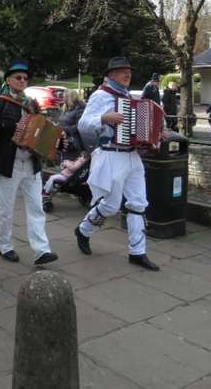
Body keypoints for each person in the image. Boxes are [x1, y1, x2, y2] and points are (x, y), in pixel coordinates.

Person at [73, 56, 159, 271]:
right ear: (111, 74)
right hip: (112, 155)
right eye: (122, 71)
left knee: (138, 203)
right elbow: (83, 124)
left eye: (129, 70)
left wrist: (155, 136)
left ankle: (137, 253)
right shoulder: (101, 95)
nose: (127, 74)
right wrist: (104, 118)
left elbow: (141, 129)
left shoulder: (129, 96)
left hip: (132, 156)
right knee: (110, 206)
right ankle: (83, 230)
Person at [0, 61, 58, 266]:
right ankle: (5, 245)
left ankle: (41, 250)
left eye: (25, 78)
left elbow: (40, 127)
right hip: (8, 162)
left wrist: (49, 140)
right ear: (8, 80)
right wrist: (7, 125)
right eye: (18, 77)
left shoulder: (32, 103)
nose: (22, 81)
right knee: (4, 208)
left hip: (31, 162)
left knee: (37, 207)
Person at [58, 89, 85, 157]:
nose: (62, 98)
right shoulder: (65, 108)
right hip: (63, 140)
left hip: (73, 142)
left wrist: (64, 129)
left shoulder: (79, 109)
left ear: (69, 97)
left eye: (64, 97)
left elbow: (79, 126)